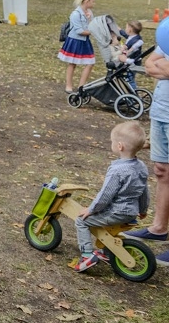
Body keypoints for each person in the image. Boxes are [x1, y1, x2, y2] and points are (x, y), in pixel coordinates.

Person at [72, 121, 149, 272]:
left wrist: (91, 209)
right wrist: (143, 208)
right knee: (104, 225)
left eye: (112, 142)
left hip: (117, 212)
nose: (111, 144)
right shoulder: (141, 167)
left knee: (81, 221)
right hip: (131, 212)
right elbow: (144, 190)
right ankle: (108, 251)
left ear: (120, 146)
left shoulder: (117, 170)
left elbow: (105, 195)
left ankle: (87, 254)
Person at [125, 43, 169, 266]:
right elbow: (150, 65)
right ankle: (159, 229)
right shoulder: (167, 33)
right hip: (161, 112)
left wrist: (162, 66)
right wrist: (161, 65)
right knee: (162, 171)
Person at [58, 0, 95, 94]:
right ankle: (68, 86)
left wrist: (90, 20)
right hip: (75, 41)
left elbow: (92, 25)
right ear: (86, 1)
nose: (94, 4)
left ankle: (81, 86)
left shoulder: (89, 13)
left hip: (85, 41)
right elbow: (79, 31)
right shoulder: (75, 14)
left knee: (90, 63)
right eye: (93, 1)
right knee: (72, 63)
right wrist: (93, 32)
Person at [118, 20, 144, 90]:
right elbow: (125, 35)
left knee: (130, 79)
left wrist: (122, 49)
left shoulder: (135, 40)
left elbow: (129, 46)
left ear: (130, 29)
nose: (125, 29)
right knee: (129, 77)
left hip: (133, 62)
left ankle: (133, 94)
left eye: (126, 27)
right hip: (133, 60)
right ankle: (131, 93)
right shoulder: (134, 36)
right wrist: (119, 30)